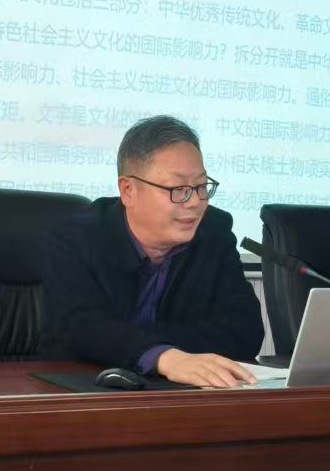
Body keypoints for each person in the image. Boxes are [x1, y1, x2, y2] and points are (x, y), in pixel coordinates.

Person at [43, 115, 263, 388]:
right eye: (178, 189)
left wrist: (147, 346)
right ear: (128, 190)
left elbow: (245, 331)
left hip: (180, 393)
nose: (195, 202)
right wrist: (163, 357)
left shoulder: (213, 233)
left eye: (201, 186)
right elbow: (81, 330)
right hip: (79, 390)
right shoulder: (75, 237)